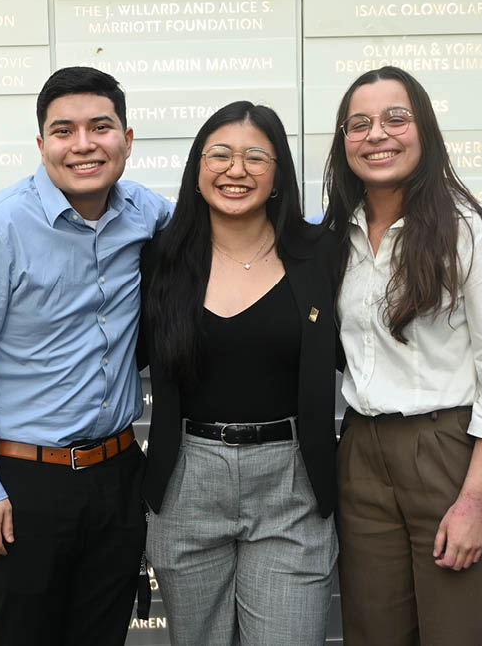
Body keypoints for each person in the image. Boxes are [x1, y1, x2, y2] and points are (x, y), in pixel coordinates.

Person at [0, 66, 173, 646]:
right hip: (23, 485)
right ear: (42, 145)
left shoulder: (149, 215)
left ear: (128, 139)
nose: (83, 145)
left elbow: (234, 226)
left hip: (118, 478)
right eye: (64, 131)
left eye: (100, 127)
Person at [323, 66, 482, 646]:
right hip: (362, 454)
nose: (377, 135)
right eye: (358, 123)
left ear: (426, 130)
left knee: (467, 633)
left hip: (454, 454)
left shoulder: (477, 233)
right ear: (343, 142)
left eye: (396, 118)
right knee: (374, 634)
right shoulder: (334, 238)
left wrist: (474, 503)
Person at [139, 101, 340, 646]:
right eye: (220, 155)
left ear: (278, 176)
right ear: (197, 168)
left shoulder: (321, 253)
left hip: (291, 482)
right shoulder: (159, 258)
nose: (236, 170)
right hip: (187, 479)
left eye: (256, 157)